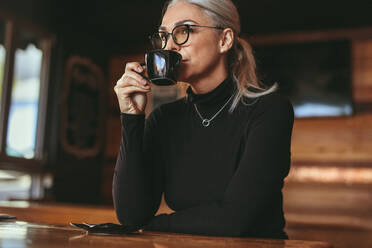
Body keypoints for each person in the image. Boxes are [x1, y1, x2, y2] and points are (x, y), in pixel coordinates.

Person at [113, 0, 294, 239]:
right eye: (164, 36)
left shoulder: (269, 110)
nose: (169, 47)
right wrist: (131, 118)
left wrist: (151, 226)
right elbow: (131, 215)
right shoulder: (164, 118)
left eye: (184, 31)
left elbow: (234, 220)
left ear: (225, 40)